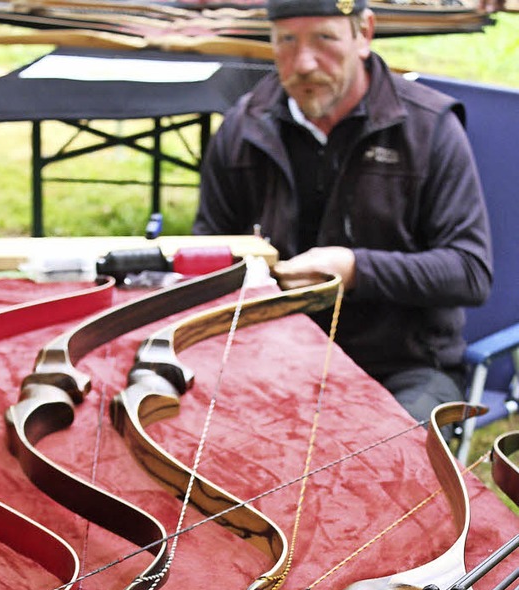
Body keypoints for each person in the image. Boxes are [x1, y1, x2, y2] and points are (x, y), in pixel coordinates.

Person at [193, 0, 493, 427]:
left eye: (325, 38)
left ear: (364, 33)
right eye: (287, 41)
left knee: (377, 465)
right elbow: (207, 254)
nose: (304, 62)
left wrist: (354, 269)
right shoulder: (243, 128)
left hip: (404, 366)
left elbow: (470, 272)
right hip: (272, 356)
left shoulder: (429, 128)